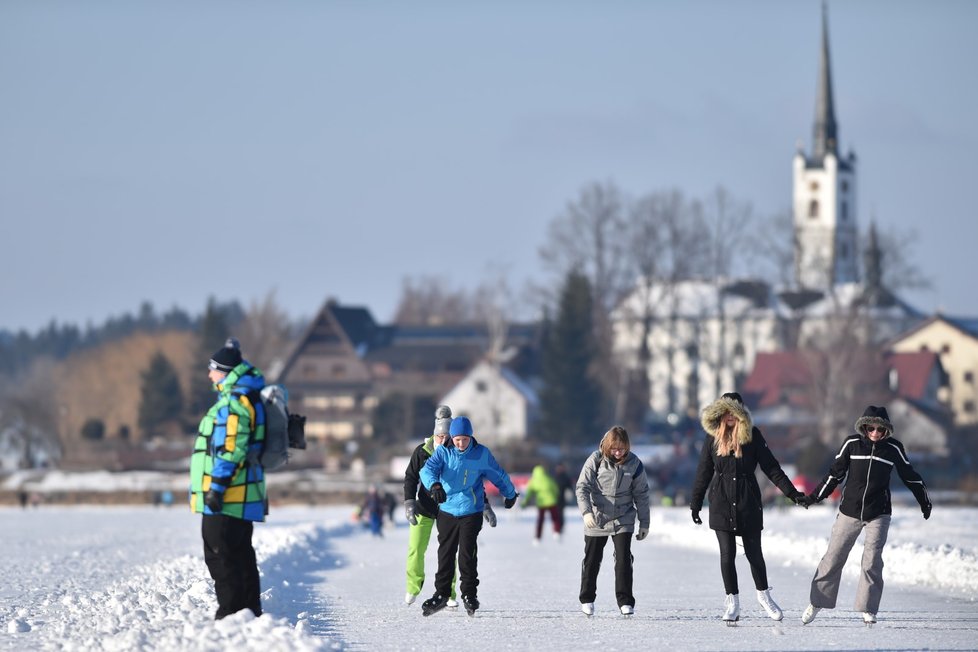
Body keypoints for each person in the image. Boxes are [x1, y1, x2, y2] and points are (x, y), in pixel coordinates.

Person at [799, 405, 932, 626]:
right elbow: (835, 474)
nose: (875, 433)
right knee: (833, 557)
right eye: (871, 428)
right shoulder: (852, 444)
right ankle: (817, 602)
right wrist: (814, 497)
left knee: (871, 561)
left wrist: (924, 501)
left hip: (879, 513)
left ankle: (868, 608)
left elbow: (910, 476)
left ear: (886, 431)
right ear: (864, 426)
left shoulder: (893, 449)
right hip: (849, 510)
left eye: (880, 430)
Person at [690, 392, 806, 624]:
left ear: (741, 413)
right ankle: (732, 602)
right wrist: (696, 502)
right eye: (726, 411)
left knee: (754, 554)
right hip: (721, 502)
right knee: (727, 555)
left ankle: (764, 596)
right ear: (720, 414)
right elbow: (703, 472)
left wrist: (792, 494)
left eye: (734, 412)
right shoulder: (711, 437)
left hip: (748, 502)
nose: (730, 416)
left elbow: (771, 468)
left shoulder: (753, 436)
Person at [189, 337, 267, 619]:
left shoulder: (234, 401)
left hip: (229, 493)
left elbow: (232, 447)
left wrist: (217, 487)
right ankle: (248, 610)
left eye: (212, 369)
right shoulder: (246, 395)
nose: (209, 375)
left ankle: (231, 612)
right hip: (242, 493)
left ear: (224, 371)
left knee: (220, 552)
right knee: (239, 551)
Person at [419, 416, 517, 616]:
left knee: (467, 554)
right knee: (445, 553)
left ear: (470, 437)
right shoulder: (443, 453)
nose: (461, 443)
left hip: (471, 510)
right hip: (447, 510)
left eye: (464, 439)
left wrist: (510, 493)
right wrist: (435, 485)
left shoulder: (480, 454)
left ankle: (469, 594)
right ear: (451, 438)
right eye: (457, 439)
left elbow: (497, 474)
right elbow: (426, 470)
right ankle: (442, 593)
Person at [403, 405, 492, 607]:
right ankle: (412, 586)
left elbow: (473, 482)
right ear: (434, 436)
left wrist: (484, 504)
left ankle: (449, 593)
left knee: (448, 551)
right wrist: (409, 502)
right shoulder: (422, 452)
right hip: (424, 508)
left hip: (450, 510)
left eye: (447, 437)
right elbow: (410, 478)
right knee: (416, 548)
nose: (443, 440)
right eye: (439, 436)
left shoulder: (458, 454)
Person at [576, 425, 651, 617]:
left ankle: (625, 601)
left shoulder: (634, 464)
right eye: (614, 449)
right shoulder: (596, 459)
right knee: (592, 559)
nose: (618, 453)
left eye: (622, 449)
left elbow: (641, 494)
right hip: (598, 517)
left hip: (623, 517)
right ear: (607, 447)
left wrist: (644, 523)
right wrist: (587, 513)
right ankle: (587, 598)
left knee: (624, 558)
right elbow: (582, 487)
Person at [522, 464, 563, 543]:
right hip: (552, 501)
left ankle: (537, 537)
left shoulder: (533, 481)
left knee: (540, 520)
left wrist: (525, 502)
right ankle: (556, 532)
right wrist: (556, 497)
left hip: (541, 503)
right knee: (555, 518)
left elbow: (529, 493)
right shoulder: (548, 478)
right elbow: (556, 489)